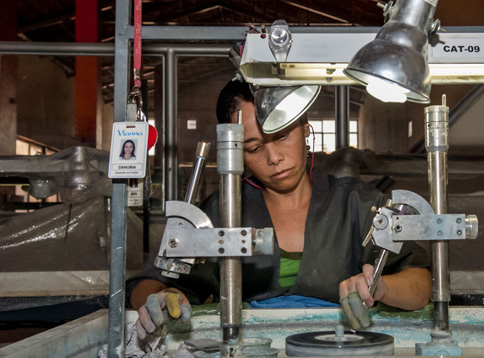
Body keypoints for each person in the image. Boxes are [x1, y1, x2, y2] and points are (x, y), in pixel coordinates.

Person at [127, 79, 432, 339]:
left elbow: (421, 283)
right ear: (236, 153)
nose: (274, 158)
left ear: (305, 129)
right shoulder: (222, 212)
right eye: (254, 148)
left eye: (282, 135)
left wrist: (380, 288)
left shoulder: (357, 203)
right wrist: (159, 299)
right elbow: (148, 283)